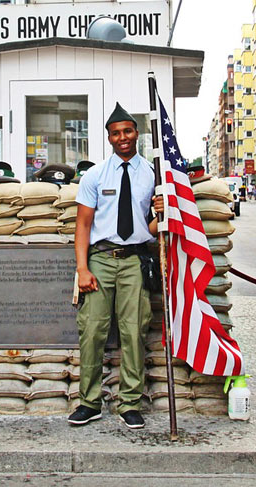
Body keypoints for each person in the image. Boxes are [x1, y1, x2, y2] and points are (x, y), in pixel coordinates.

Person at [69, 103, 163, 430]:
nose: (122, 137)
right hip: (100, 259)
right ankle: (89, 402)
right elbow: (82, 225)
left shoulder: (153, 174)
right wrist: (82, 269)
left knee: (134, 332)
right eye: (116, 133)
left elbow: (150, 226)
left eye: (128, 131)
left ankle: (130, 403)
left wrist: (161, 214)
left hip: (135, 259)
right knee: (92, 331)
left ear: (137, 133)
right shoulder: (96, 175)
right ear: (108, 137)